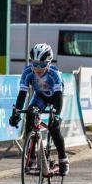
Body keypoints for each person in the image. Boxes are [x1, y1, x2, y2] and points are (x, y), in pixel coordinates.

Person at [9, 43, 69, 176]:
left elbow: (59, 96)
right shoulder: (27, 72)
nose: (37, 68)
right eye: (34, 63)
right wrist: (17, 113)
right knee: (30, 114)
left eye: (42, 65)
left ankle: (63, 159)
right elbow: (22, 94)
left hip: (55, 97)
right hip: (40, 96)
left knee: (54, 127)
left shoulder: (55, 74)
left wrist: (57, 116)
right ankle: (31, 155)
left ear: (49, 62)